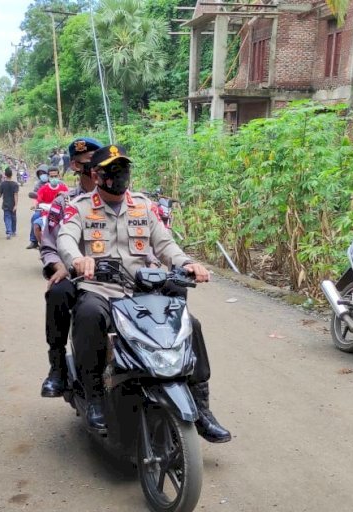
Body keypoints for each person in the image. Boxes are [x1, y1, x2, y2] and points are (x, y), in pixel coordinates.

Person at [57, 145, 231, 442]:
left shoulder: (143, 206)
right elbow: (66, 237)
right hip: (100, 287)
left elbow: (165, 245)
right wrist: (77, 260)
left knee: (191, 325)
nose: (120, 175)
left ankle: (201, 406)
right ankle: (95, 396)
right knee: (88, 314)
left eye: (123, 168)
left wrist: (187, 263)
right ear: (97, 175)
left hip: (139, 288)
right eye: (112, 170)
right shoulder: (81, 207)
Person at [37, 137, 103, 397]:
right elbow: (49, 245)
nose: (96, 169)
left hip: (116, 273)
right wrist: (61, 265)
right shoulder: (63, 203)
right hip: (76, 275)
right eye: (89, 163)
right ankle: (57, 367)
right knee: (57, 292)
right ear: (76, 166)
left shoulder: (119, 197)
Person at [33, 170, 69, 245]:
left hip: (62, 215)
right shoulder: (43, 189)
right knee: (36, 225)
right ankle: (43, 246)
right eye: (51, 176)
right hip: (46, 214)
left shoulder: (64, 188)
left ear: (59, 176)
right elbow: (37, 200)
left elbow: (69, 200)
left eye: (55, 176)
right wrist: (35, 205)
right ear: (48, 177)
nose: (54, 178)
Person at [27, 165, 50, 249]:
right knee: (35, 217)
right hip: (42, 207)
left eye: (44, 173)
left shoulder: (56, 183)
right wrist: (35, 205)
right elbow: (35, 197)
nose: (42, 175)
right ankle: (34, 241)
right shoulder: (38, 184)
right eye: (40, 174)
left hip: (55, 206)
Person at [0, 167, 19, 239]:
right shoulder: (15, 184)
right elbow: (15, 195)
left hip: (6, 204)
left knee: (7, 218)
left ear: (5, 175)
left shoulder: (3, 184)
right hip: (13, 204)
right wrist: (16, 205)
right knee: (13, 218)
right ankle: (13, 231)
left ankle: (9, 232)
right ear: (11, 175)